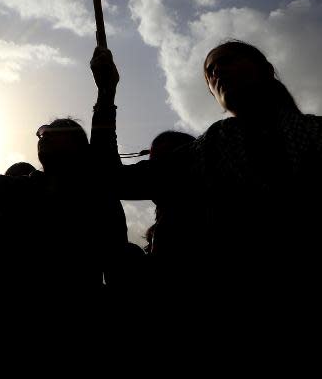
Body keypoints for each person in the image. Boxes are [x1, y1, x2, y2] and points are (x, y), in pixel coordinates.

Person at [111, 40, 322, 275]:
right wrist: (106, 93)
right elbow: (116, 181)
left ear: (266, 70)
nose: (217, 71)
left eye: (226, 61)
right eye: (210, 71)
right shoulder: (208, 148)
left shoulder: (316, 131)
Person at [0, 57, 128, 297]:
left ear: (78, 147)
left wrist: (106, 92)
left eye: (51, 132)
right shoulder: (22, 191)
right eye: (41, 133)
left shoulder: (99, 199)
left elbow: (117, 270)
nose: (42, 136)